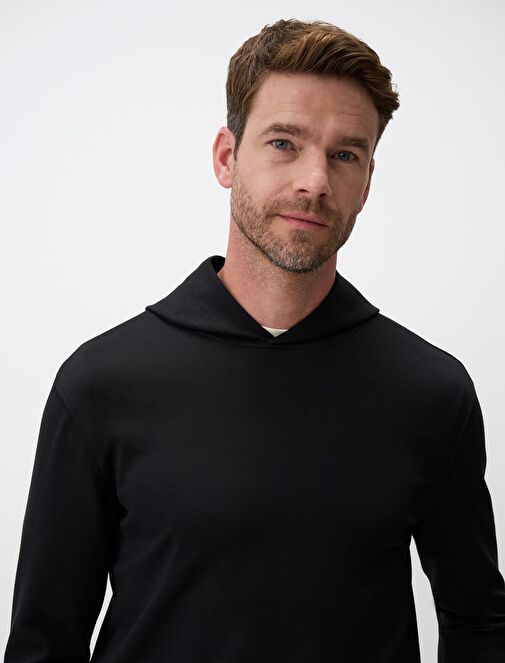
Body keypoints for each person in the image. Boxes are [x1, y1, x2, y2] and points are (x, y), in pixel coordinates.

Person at [4, 17, 505, 663]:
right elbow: (43, 644)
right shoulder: (101, 383)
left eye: (344, 154)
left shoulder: (430, 391)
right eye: (284, 143)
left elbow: (479, 621)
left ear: (367, 182)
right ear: (226, 156)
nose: (314, 180)